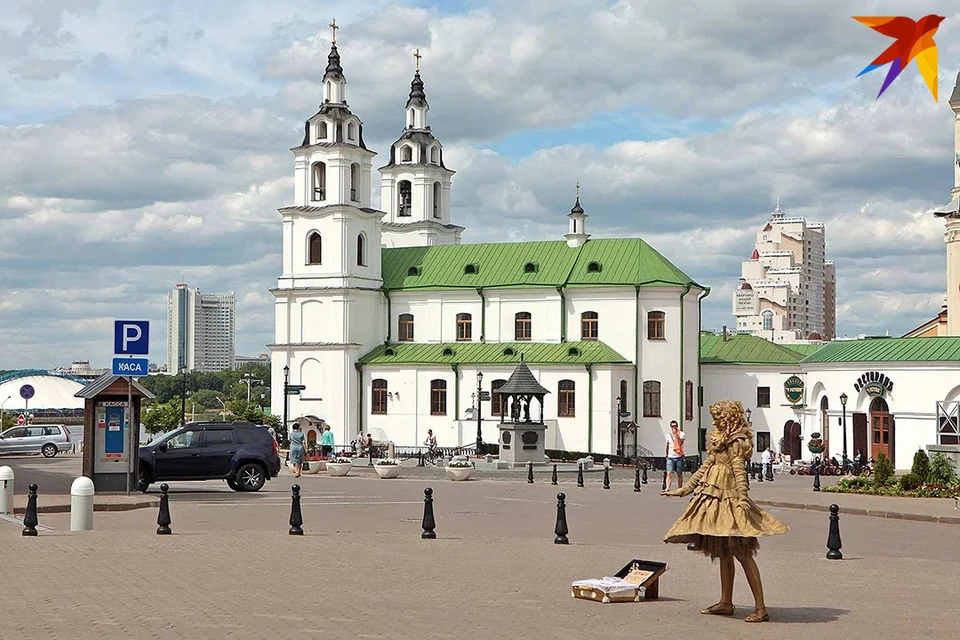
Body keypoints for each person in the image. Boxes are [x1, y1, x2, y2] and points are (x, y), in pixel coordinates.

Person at [661, 399, 789, 623]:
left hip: (729, 497)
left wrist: (743, 498)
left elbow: (740, 471)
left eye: (719, 417)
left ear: (730, 418)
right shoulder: (718, 438)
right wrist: (684, 490)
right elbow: (706, 465)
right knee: (724, 552)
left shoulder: (736, 441)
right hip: (713, 495)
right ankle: (726, 602)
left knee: (742, 552)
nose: (715, 421)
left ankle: (760, 608)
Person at [665, 420, 685, 491]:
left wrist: (676, 434)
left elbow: (680, 442)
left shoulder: (681, 434)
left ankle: (680, 488)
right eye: (673, 426)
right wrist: (666, 455)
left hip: (679, 457)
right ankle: (668, 487)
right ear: (670, 427)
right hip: (670, 457)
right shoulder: (668, 435)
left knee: (679, 473)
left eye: (676, 426)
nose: (674, 427)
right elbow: (667, 445)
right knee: (669, 473)